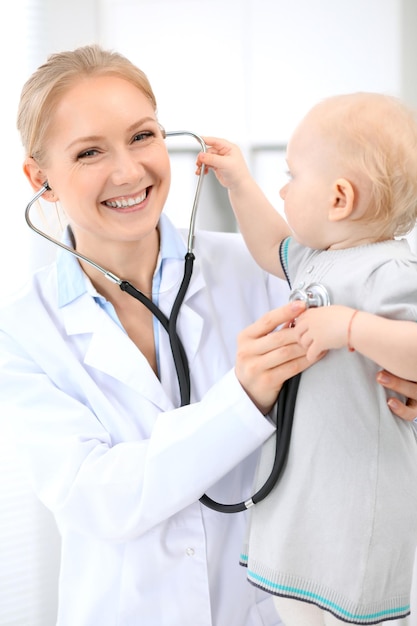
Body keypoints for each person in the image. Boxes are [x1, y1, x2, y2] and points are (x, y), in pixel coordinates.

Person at [0, 48, 415, 626]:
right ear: (39, 178)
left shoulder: (268, 272)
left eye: (142, 136)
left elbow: (373, 364)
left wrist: (401, 393)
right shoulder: (22, 329)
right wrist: (241, 398)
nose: (128, 171)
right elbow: (98, 498)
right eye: (90, 151)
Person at [196, 92, 417, 625]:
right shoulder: (320, 258)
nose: (283, 188)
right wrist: (239, 185)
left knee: (344, 603)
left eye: (293, 176)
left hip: (356, 498)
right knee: (297, 602)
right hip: (306, 497)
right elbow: (273, 245)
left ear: (339, 198)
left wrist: (350, 327)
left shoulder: (387, 271)